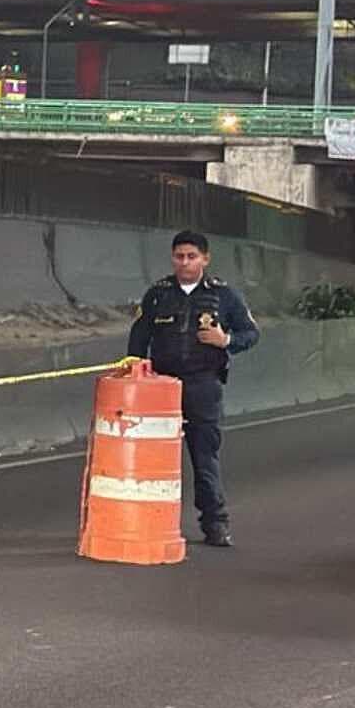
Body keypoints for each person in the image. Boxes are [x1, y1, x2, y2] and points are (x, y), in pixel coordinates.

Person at [127, 230, 260, 547]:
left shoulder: (224, 295)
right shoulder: (158, 294)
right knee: (151, 457)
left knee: (204, 456)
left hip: (203, 385)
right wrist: (133, 368)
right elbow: (139, 335)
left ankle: (215, 523)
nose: (184, 263)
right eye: (179, 256)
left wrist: (225, 341)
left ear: (205, 259)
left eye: (191, 256)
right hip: (161, 387)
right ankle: (148, 520)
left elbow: (250, 334)